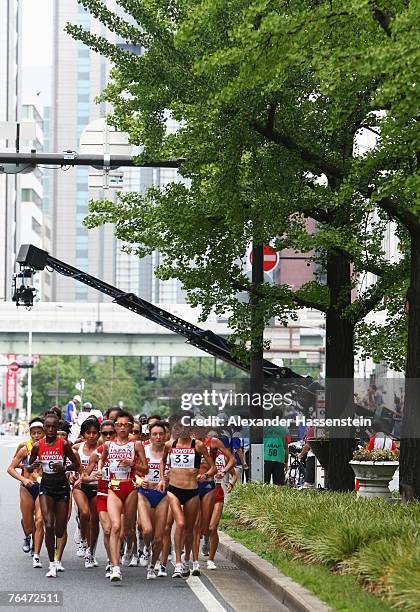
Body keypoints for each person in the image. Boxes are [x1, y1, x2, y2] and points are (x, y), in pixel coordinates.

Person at [158, 416, 214, 579]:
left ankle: (187, 559)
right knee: (180, 524)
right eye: (179, 426)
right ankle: (177, 563)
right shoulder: (170, 445)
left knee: (190, 530)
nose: (182, 429)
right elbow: (162, 462)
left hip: (192, 491)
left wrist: (206, 475)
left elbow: (213, 467)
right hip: (174, 490)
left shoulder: (198, 445)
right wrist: (162, 478)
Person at [27, 412, 80, 577]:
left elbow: (76, 465)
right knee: (48, 524)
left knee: (59, 528)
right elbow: (29, 468)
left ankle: (57, 558)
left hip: (62, 487)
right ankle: (52, 564)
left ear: (57, 428)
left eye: (53, 427)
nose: (50, 429)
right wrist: (33, 465)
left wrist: (64, 468)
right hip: (46, 487)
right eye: (47, 427)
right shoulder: (38, 446)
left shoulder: (64, 445)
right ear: (44, 428)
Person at [98, 410, 148, 582]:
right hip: (113, 488)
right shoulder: (108, 445)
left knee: (128, 528)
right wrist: (99, 469)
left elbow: (146, 469)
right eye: (118, 425)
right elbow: (102, 459)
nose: (122, 428)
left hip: (131, 488)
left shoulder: (136, 445)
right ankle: (115, 567)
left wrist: (132, 463)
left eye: (125, 425)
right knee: (115, 527)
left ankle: (130, 549)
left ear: (130, 426)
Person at [187, 424, 235, 575]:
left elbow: (232, 459)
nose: (197, 432)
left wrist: (224, 472)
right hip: (194, 488)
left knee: (212, 527)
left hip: (213, 487)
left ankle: (210, 559)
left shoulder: (212, 442)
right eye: (194, 429)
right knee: (197, 527)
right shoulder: (188, 445)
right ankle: (194, 559)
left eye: (201, 428)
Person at [7, 418, 45, 568]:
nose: (36, 436)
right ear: (30, 433)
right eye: (34, 433)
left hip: (42, 486)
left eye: (39, 433)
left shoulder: (49, 448)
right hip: (27, 487)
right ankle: (27, 536)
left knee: (40, 520)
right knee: (29, 524)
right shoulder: (24, 447)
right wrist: (24, 477)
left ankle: (36, 552)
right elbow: (11, 467)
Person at [137, 421, 170, 579]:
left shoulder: (169, 451)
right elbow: (132, 470)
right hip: (144, 493)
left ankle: (152, 566)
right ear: (150, 436)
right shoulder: (143, 450)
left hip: (163, 495)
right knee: (147, 530)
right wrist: (138, 480)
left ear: (165, 436)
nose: (158, 437)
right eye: (154, 434)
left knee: (159, 536)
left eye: (161, 434)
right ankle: (146, 549)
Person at [84, 419, 116, 579]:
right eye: (105, 433)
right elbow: (84, 477)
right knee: (108, 529)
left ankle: (123, 552)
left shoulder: (127, 450)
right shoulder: (96, 454)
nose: (108, 436)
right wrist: (92, 477)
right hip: (103, 493)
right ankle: (112, 562)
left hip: (121, 495)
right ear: (100, 435)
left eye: (112, 433)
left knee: (121, 530)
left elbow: (141, 470)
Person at [72, 417, 101, 568]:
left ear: (98, 434)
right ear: (83, 434)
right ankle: (83, 540)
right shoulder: (77, 447)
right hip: (80, 486)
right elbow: (68, 463)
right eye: (88, 433)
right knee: (84, 513)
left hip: (98, 487)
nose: (91, 435)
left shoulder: (103, 447)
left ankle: (91, 553)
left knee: (95, 520)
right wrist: (70, 474)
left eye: (94, 433)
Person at [263, 420, 291, 485]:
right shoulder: (284, 429)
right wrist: (286, 462)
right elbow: (286, 447)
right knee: (278, 485)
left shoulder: (265, 428)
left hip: (266, 458)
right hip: (279, 459)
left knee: (264, 484)